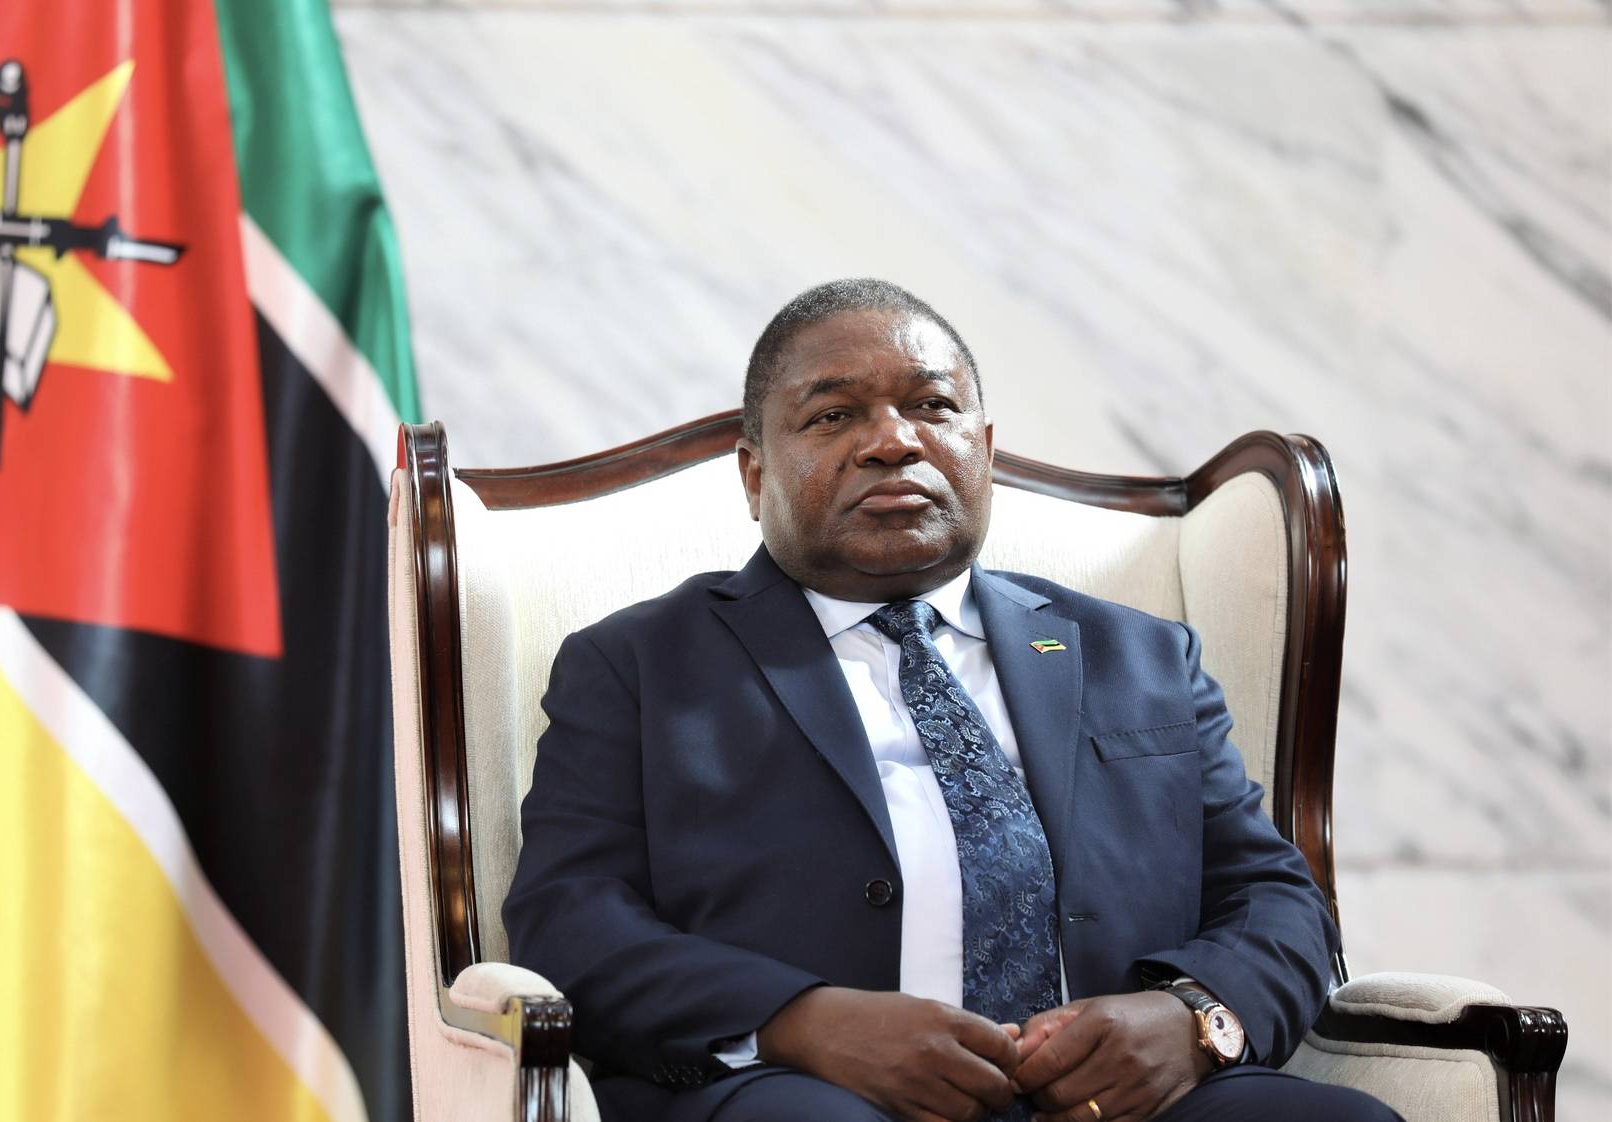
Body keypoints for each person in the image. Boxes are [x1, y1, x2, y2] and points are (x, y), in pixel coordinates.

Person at [501, 279, 1402, 1122]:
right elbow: (572, 917)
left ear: (986, 450)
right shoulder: (639, 664)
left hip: (1114, 1102)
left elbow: (1274, 895)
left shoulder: (1137, 653)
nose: (893, 439)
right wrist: (802, 1022)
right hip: (802, 1091)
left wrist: (1191, 1019)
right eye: (832, 415)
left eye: (932, 406)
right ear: (752, 475)